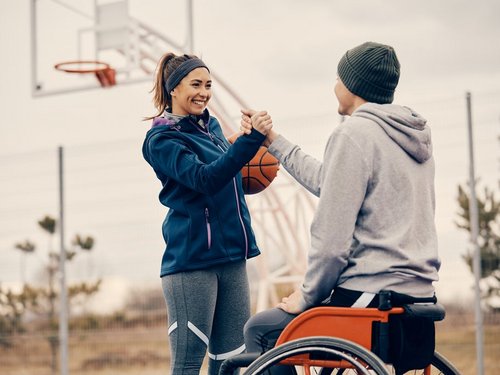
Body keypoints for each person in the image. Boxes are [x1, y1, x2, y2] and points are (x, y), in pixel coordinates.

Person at [240, 41, 441, 371]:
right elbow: (328, 181)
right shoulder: (412, 136)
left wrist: (307, 295)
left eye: (338, 77)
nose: (334, 84)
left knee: (262, 330)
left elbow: (331, 243)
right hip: (418, 297)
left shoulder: (355, 134)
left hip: (373, 294)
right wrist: (273, 142)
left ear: (353, 85)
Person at [142, 52, 272, 375]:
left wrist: (241, 139)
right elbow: (205, 179)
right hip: (192, 264)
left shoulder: (210, 126)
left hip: (232, 259)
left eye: (208, 85)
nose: (204, 92)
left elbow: (223, 164)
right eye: (195, 84)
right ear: (174, 89)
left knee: (231, 363)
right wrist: (251, 141)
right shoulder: (161, 140)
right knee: (187, 365)